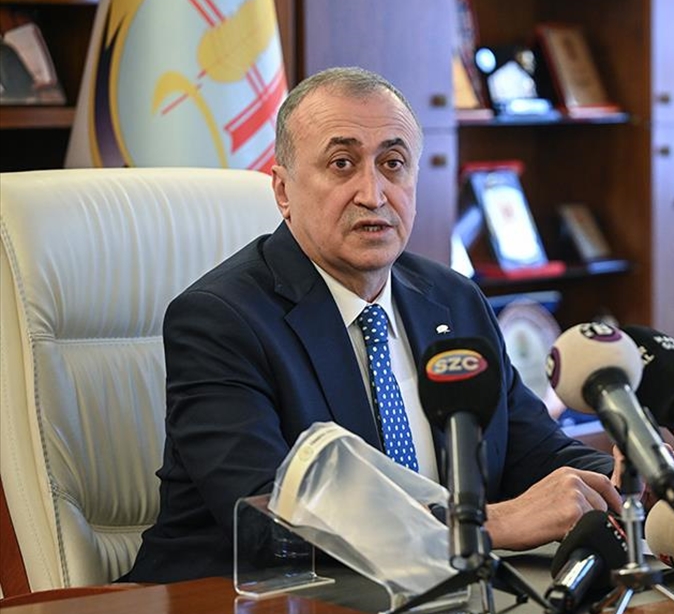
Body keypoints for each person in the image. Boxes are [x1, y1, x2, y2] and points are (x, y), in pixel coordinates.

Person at [124, 67, 623, 583]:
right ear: (283, 191)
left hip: (429, 601)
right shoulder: (221, 320)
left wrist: (634, 481)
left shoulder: (453, 301)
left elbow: (533, 451)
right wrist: (485, 527)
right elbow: (272, 520)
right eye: (342, 164)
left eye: (393, 164)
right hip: (234, 607)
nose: (374, 193)